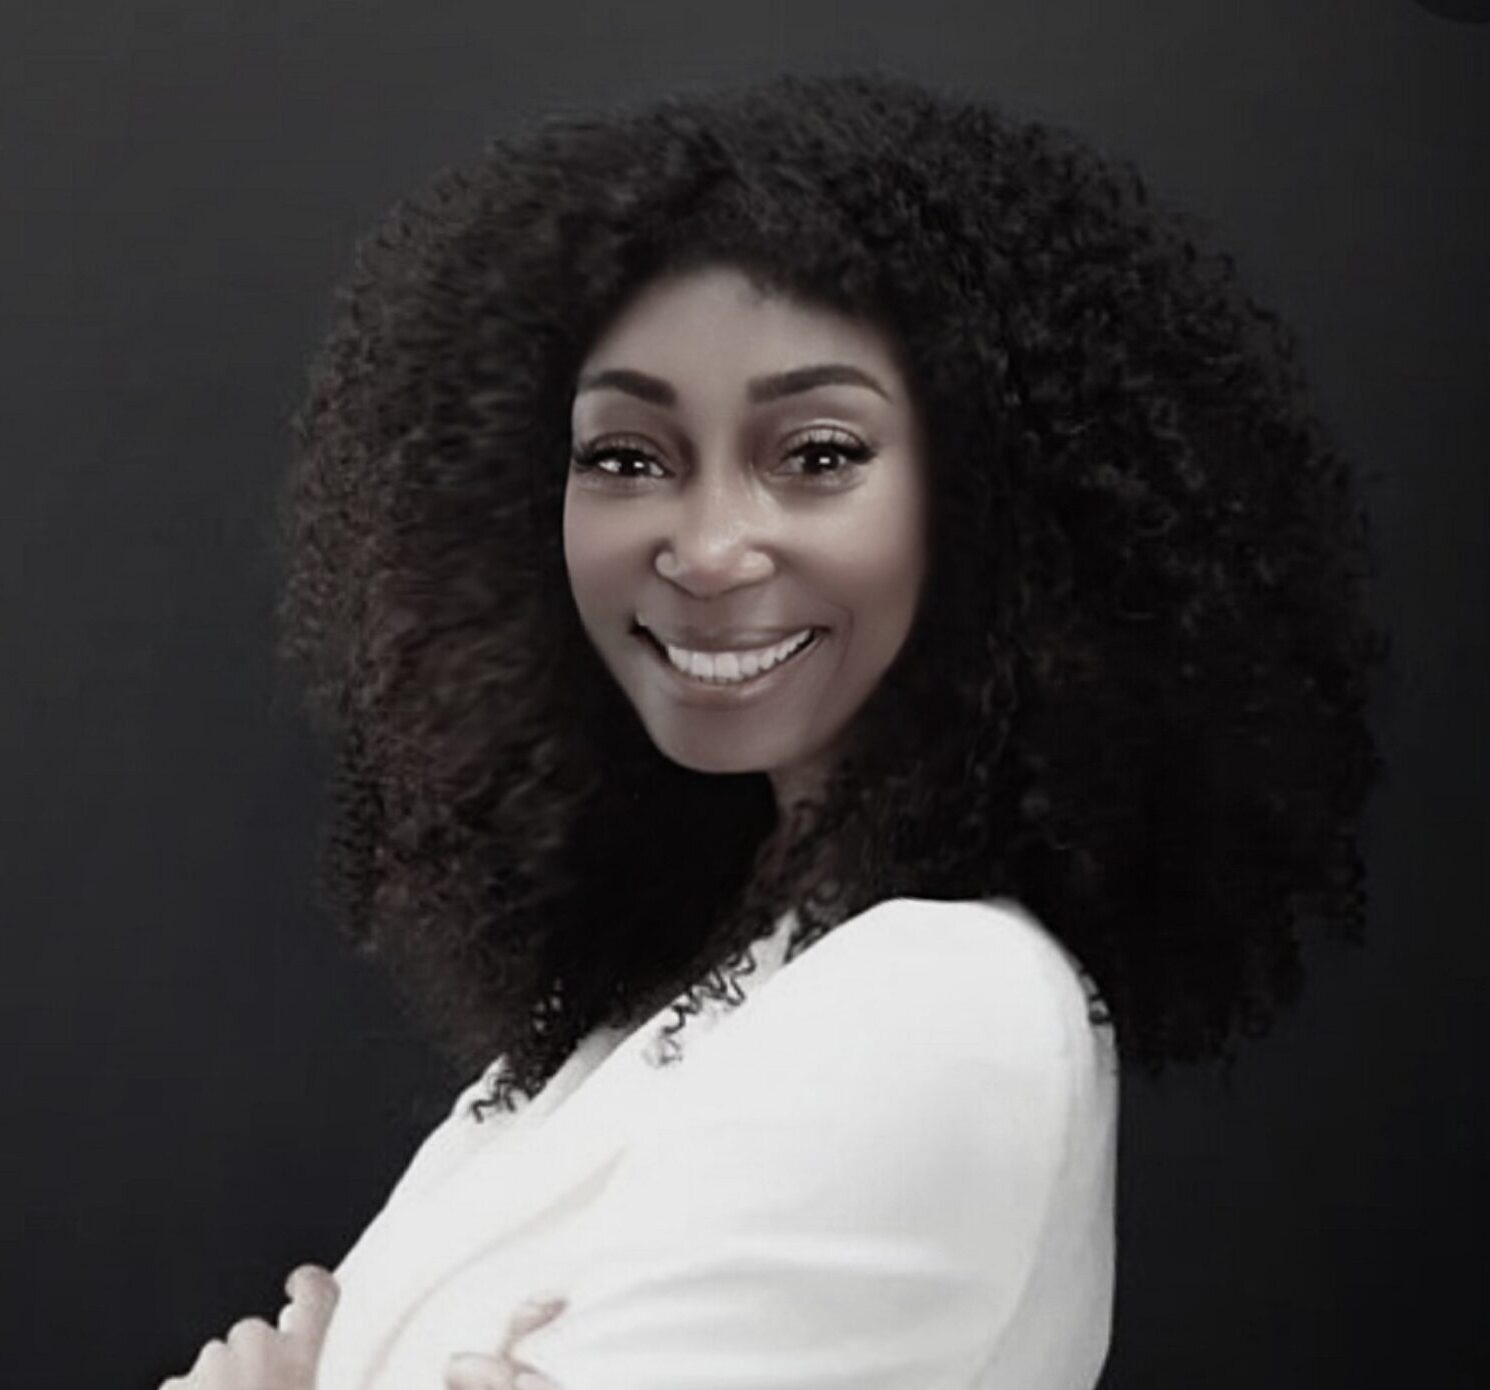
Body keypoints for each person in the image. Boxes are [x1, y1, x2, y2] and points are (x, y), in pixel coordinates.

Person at [158, 71, 1386, 1390]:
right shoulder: (635, 1006)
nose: (704, 549)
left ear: (993, 498)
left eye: (815, 454)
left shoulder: (937, 1002)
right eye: (626, 457)